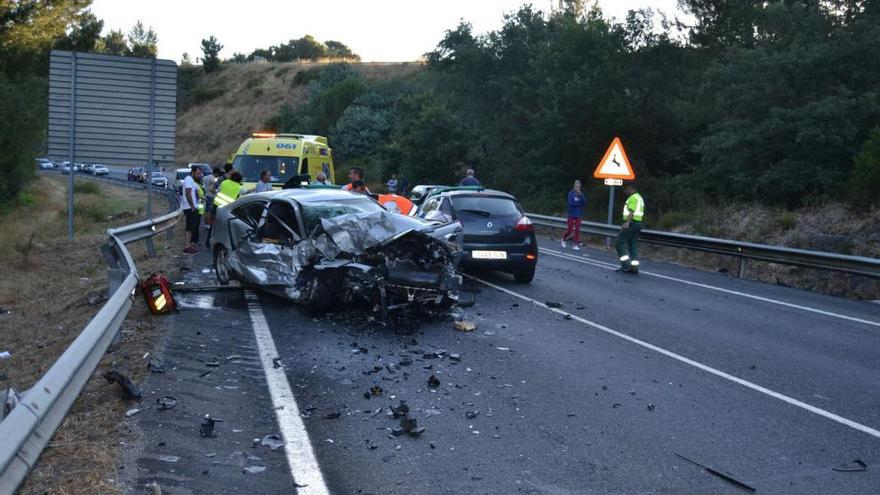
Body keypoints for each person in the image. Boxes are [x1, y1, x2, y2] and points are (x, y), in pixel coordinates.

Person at [615, 184, 645, 274]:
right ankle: (634, 268)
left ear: (631, 189)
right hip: (638, 224)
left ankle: (626, 265)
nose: (625, 191)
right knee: (633, 245)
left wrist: (627, 222)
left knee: (619, 243)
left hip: (632, 223)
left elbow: (631, 211)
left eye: (627, 189)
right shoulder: (639, 198)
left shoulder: (632, 198)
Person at [182, 164, 204, 255]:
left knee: (191, 227)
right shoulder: (188, 179)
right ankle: (187, 247)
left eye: (200, 174)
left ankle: (189, 246)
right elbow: (188, 193)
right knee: (190, 228)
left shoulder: (192, 181)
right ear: (192, 172)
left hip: (192, 206)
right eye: (198, 173)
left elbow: (193, 193)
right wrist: (192, 206)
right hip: (190, 207)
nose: (199, 175)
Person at [561, 180, 586, 251]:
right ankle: (563, 239)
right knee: (570, 229)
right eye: (576, 186)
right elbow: (571, 203)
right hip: (571, 213)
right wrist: (579, 204)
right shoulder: (571, 194)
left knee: (577, 230)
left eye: (579, 186)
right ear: (574, 186)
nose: (578, 188)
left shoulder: (581, 194)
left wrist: (580, 196)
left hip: (579, 214)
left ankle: (575, 245)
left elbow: (584, 202)